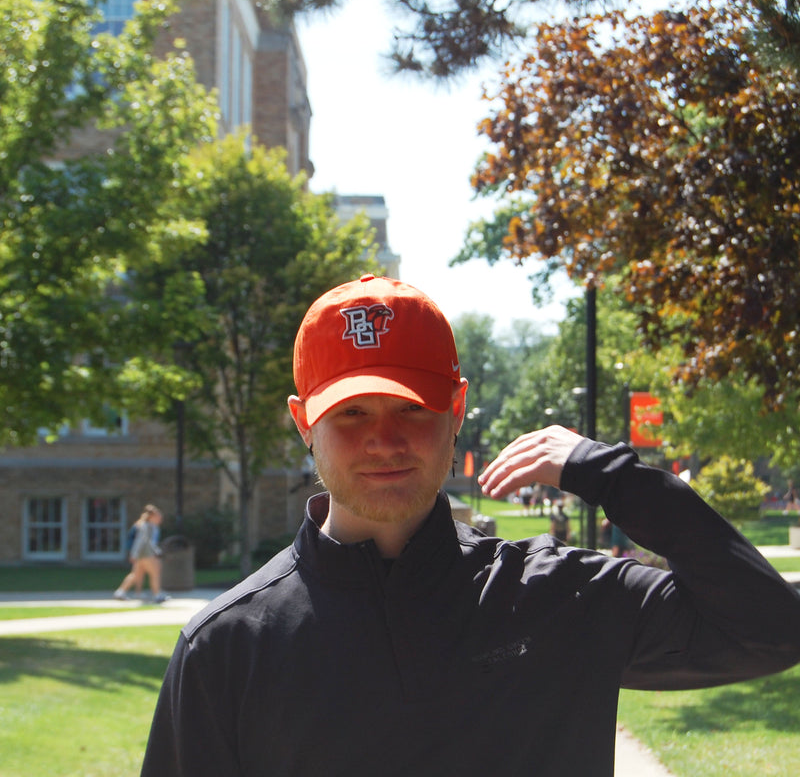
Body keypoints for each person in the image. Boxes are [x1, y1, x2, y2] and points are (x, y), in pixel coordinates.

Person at [141, 274, 800, 777]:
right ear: (302, 423)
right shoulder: (226, 647)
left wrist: (614, 476)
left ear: (455, 409)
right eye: (351, 414)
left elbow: (772, 630)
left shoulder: (562, 598)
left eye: (412, 408)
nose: (385, 439)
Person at [114, 504, 168, 603]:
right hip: (147, 554)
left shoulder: (149, 526)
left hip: (141, 554)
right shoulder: (148, 526)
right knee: (155, 574)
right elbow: (142, 541)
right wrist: (136, 554)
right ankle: (157, 595)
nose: (160, 519)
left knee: (135, 574)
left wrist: (135, 554)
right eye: (158, 517)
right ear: (152, 517)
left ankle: (120, 592)